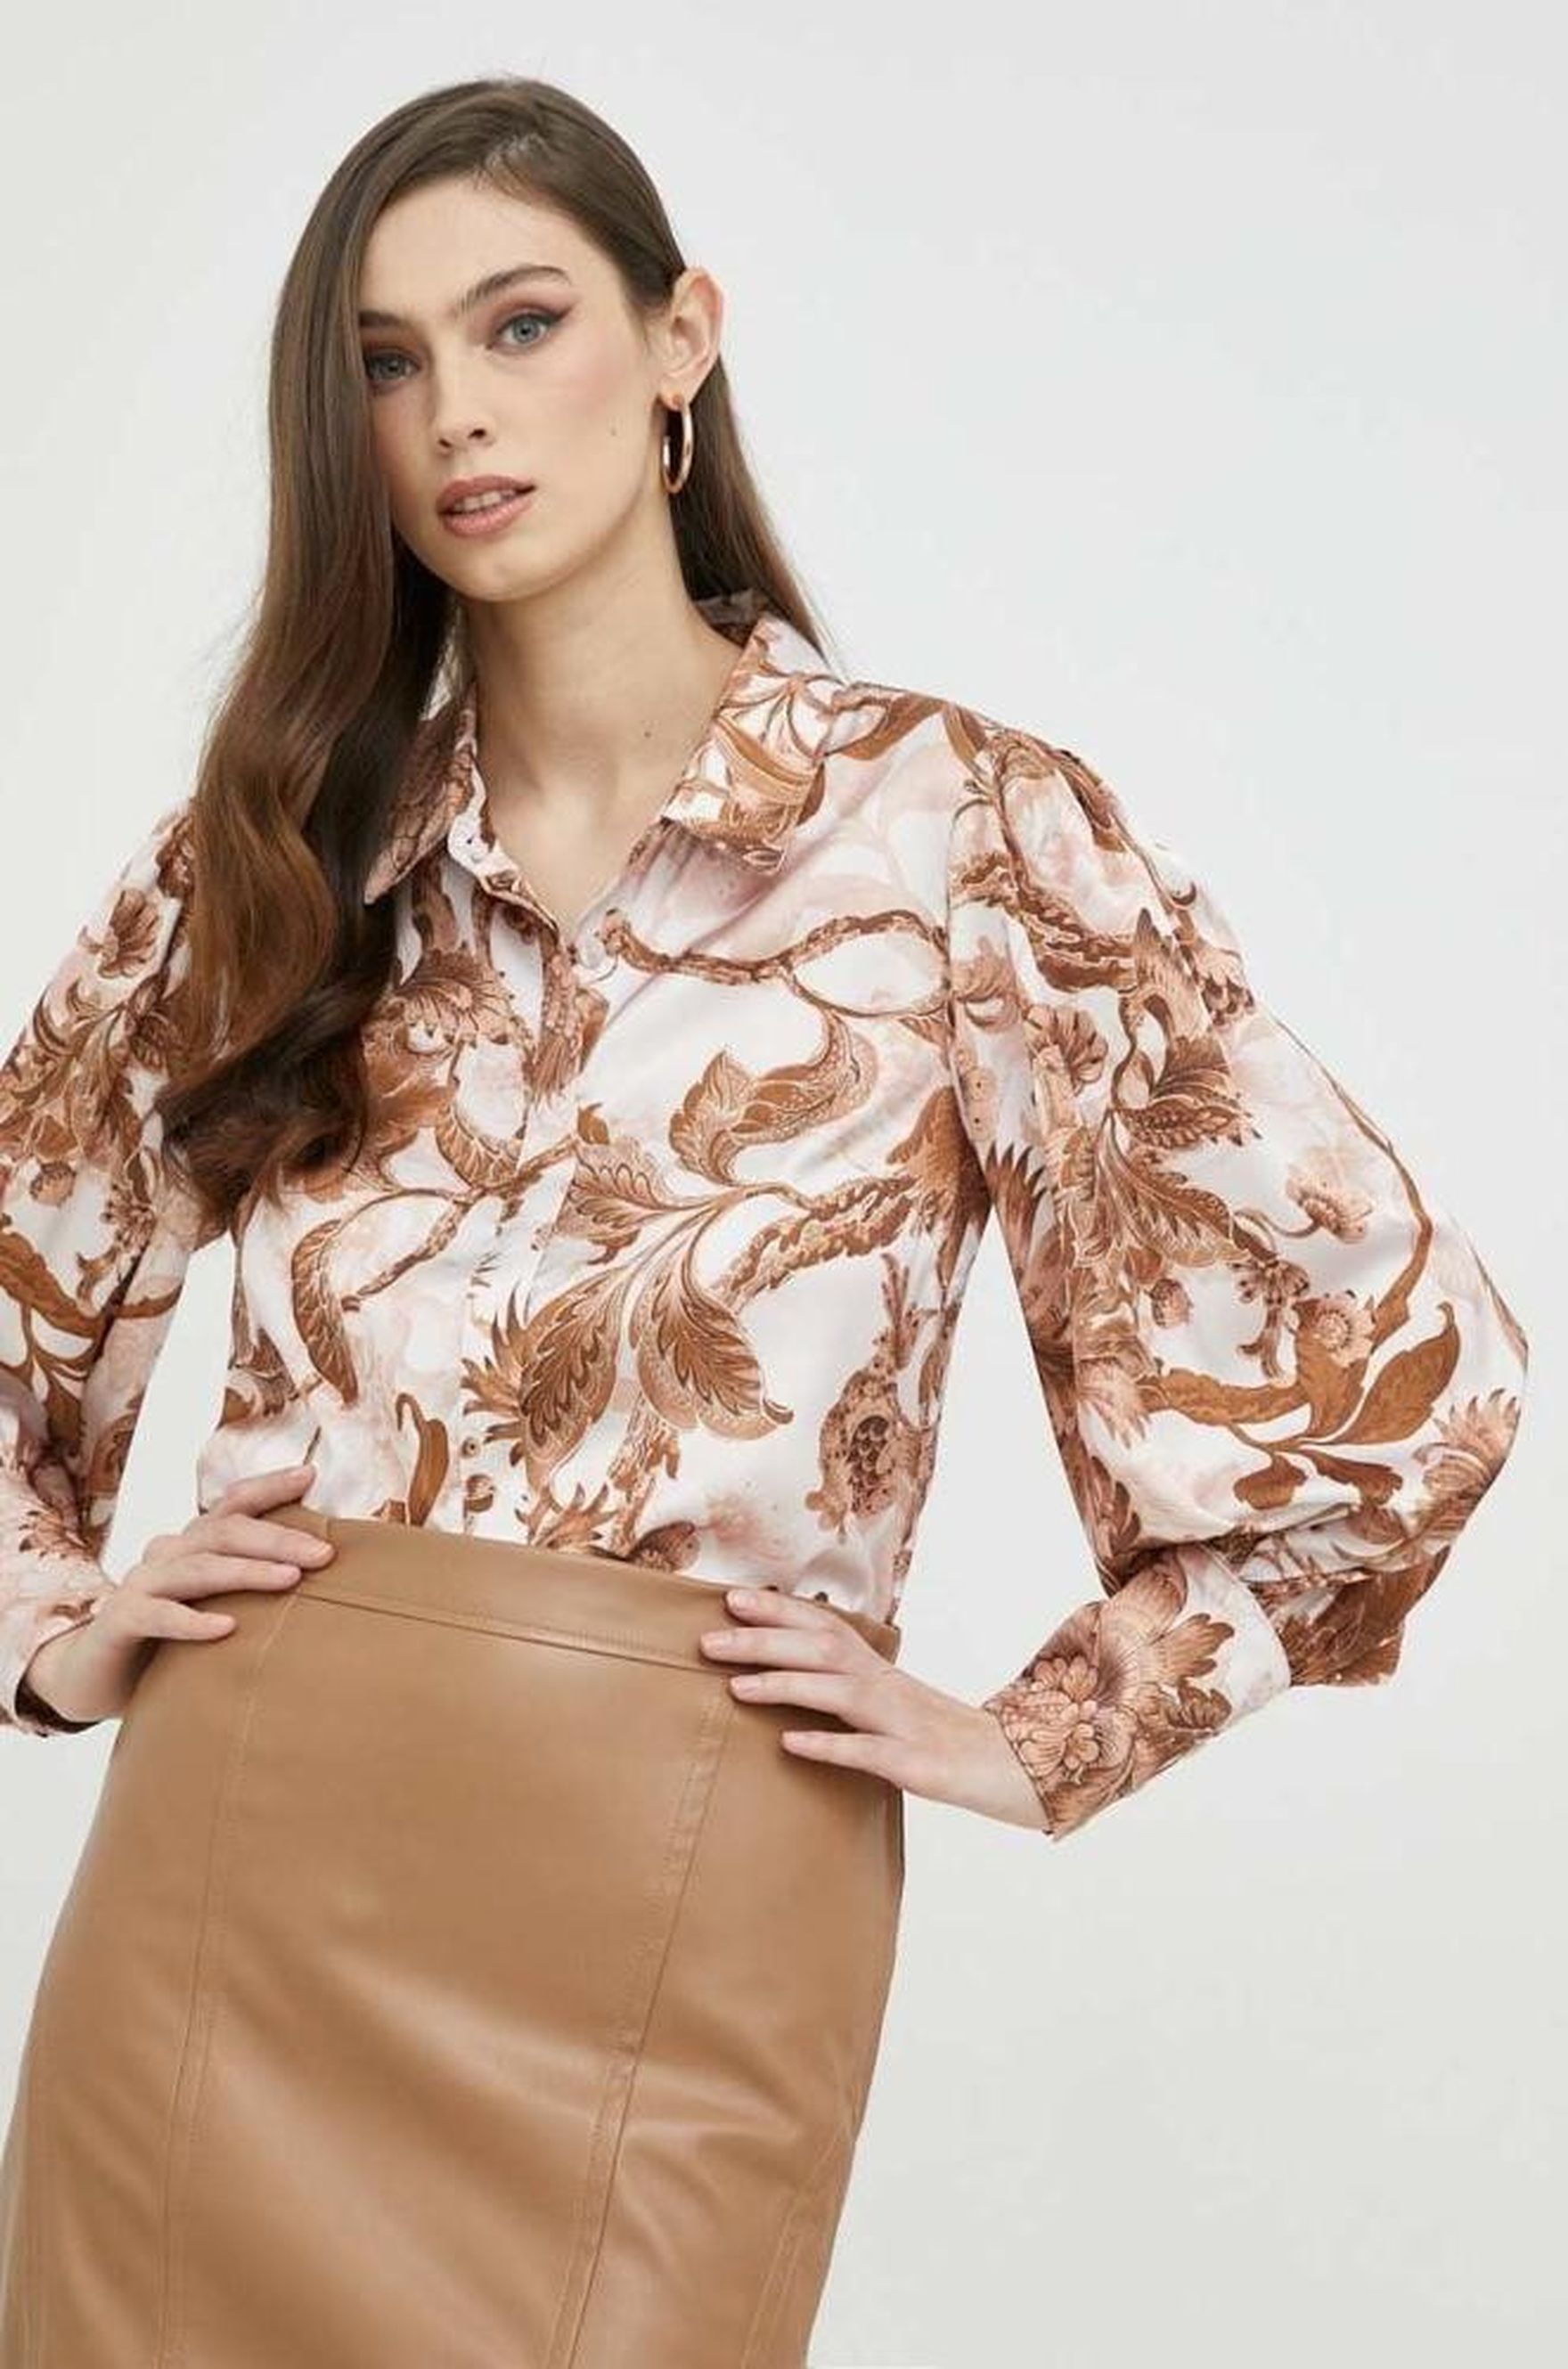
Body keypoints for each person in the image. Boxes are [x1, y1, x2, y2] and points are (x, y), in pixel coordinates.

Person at [0, 72, 1529, 2369]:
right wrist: (59, 1627)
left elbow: (1401, 1385)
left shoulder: (958, 837)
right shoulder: (279, 860)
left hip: (683, 1896)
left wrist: (1059, 1727)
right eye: (387, 364)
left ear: (681, 338)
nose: (457, 415)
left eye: (523, 324)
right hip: (233, 1898)